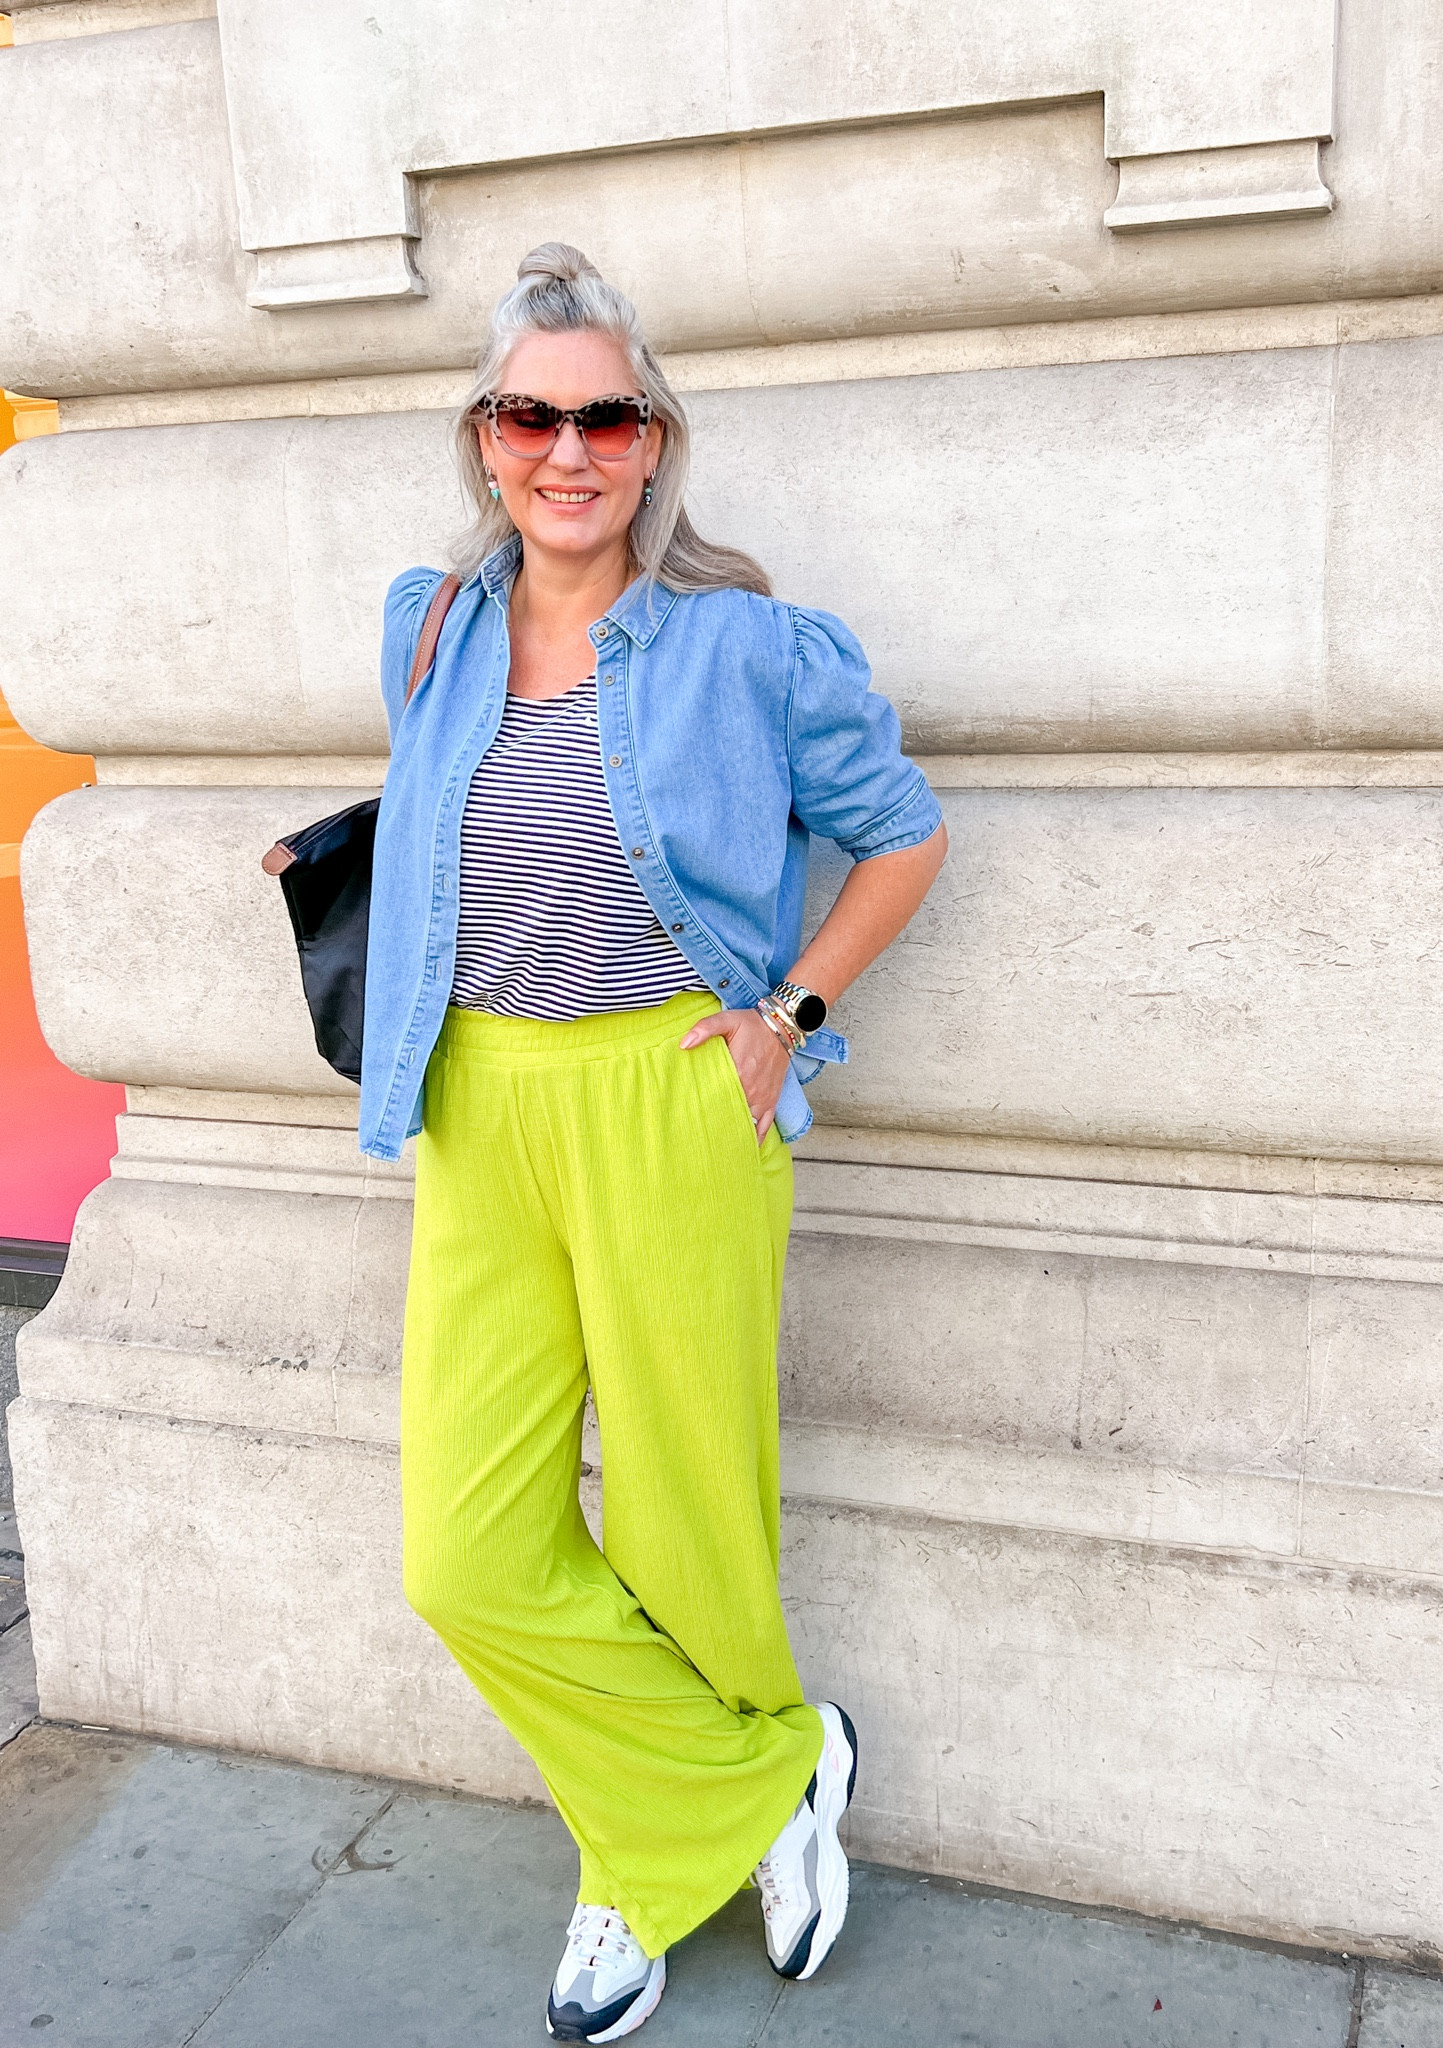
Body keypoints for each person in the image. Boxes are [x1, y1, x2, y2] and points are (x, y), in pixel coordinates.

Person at [359, 241, 947, 2042]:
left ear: (654, 438)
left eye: (605, 413)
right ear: (483, 437)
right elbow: (463, 817)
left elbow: (904, 832)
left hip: (676, 1096)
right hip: (481, 1103)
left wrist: (792, 1020)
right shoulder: (432, 626)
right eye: (531, 413)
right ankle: (767, 1778)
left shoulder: (748, 644)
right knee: (463, 1551)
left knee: (692, 1515)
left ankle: (634, 1863)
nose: (568, 449)